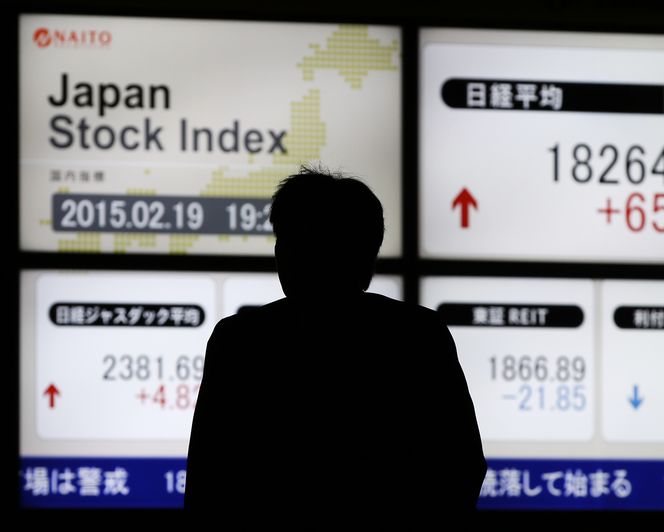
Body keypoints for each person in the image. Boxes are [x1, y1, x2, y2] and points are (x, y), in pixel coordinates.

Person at [184, 166, 486, 521]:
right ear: (368, 255)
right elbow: (461, 464)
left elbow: (209, 478)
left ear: (287, 255)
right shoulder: (418, 334)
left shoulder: (241, 339)